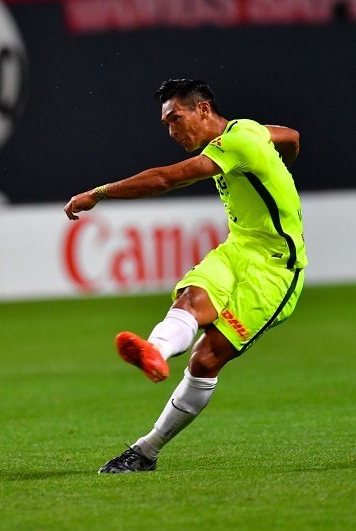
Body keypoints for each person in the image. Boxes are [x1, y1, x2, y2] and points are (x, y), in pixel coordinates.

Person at [64, 79, 306, 473]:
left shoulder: (240, 141)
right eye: (166, 125)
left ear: (204, 110)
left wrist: (99, 193)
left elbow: (166, 179)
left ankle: (146, 451)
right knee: (190, 300)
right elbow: (291, 137)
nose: (172, 130)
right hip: (237, 249)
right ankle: (154, 353)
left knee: (206, 358)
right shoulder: (249, 133)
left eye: (176, 119)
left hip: (276, 267)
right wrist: (283, 164)